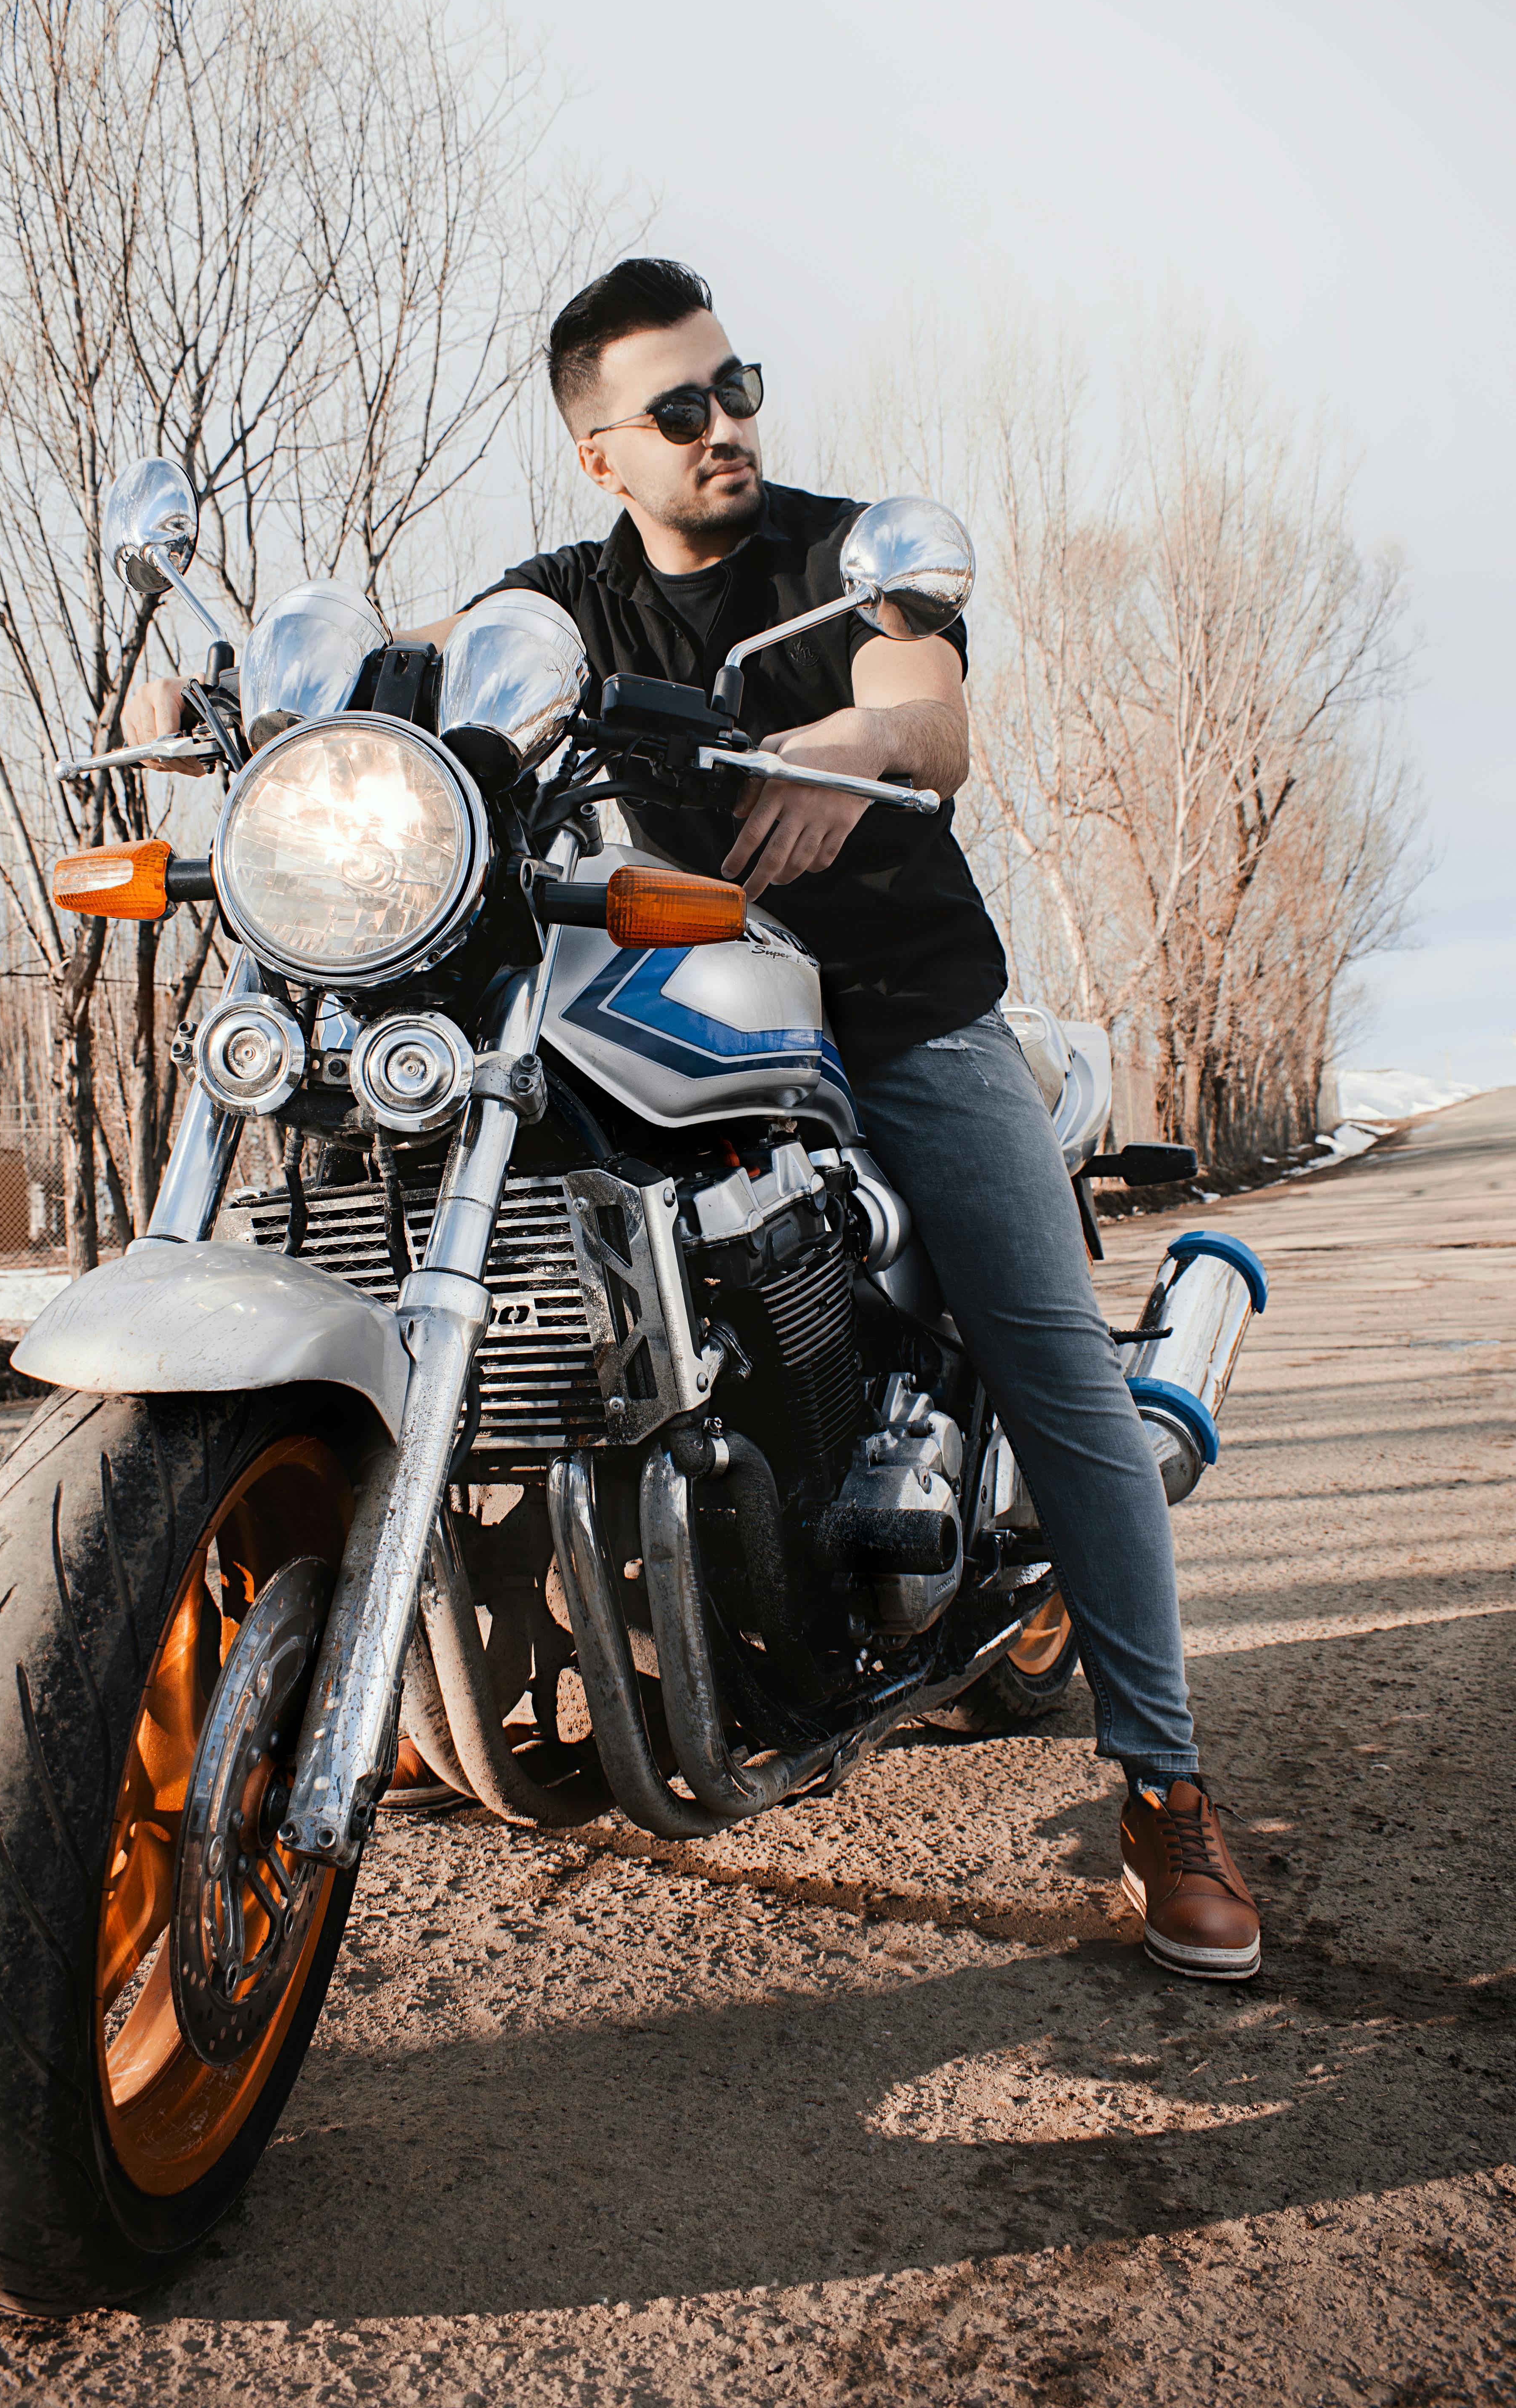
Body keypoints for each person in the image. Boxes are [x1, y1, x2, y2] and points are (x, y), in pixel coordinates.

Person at [124, 258, 1261, 1982]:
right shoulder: (561, 602)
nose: (727, 426)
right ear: (602, 455)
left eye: (736, 388)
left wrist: (850, 737)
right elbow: (409, 660)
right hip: (646, 994)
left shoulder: (837, 556)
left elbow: (927, 710)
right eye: (681, 410)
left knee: (1054, 1368)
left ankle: (1165, 1783)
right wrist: (208, 704)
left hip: (896, 1014)